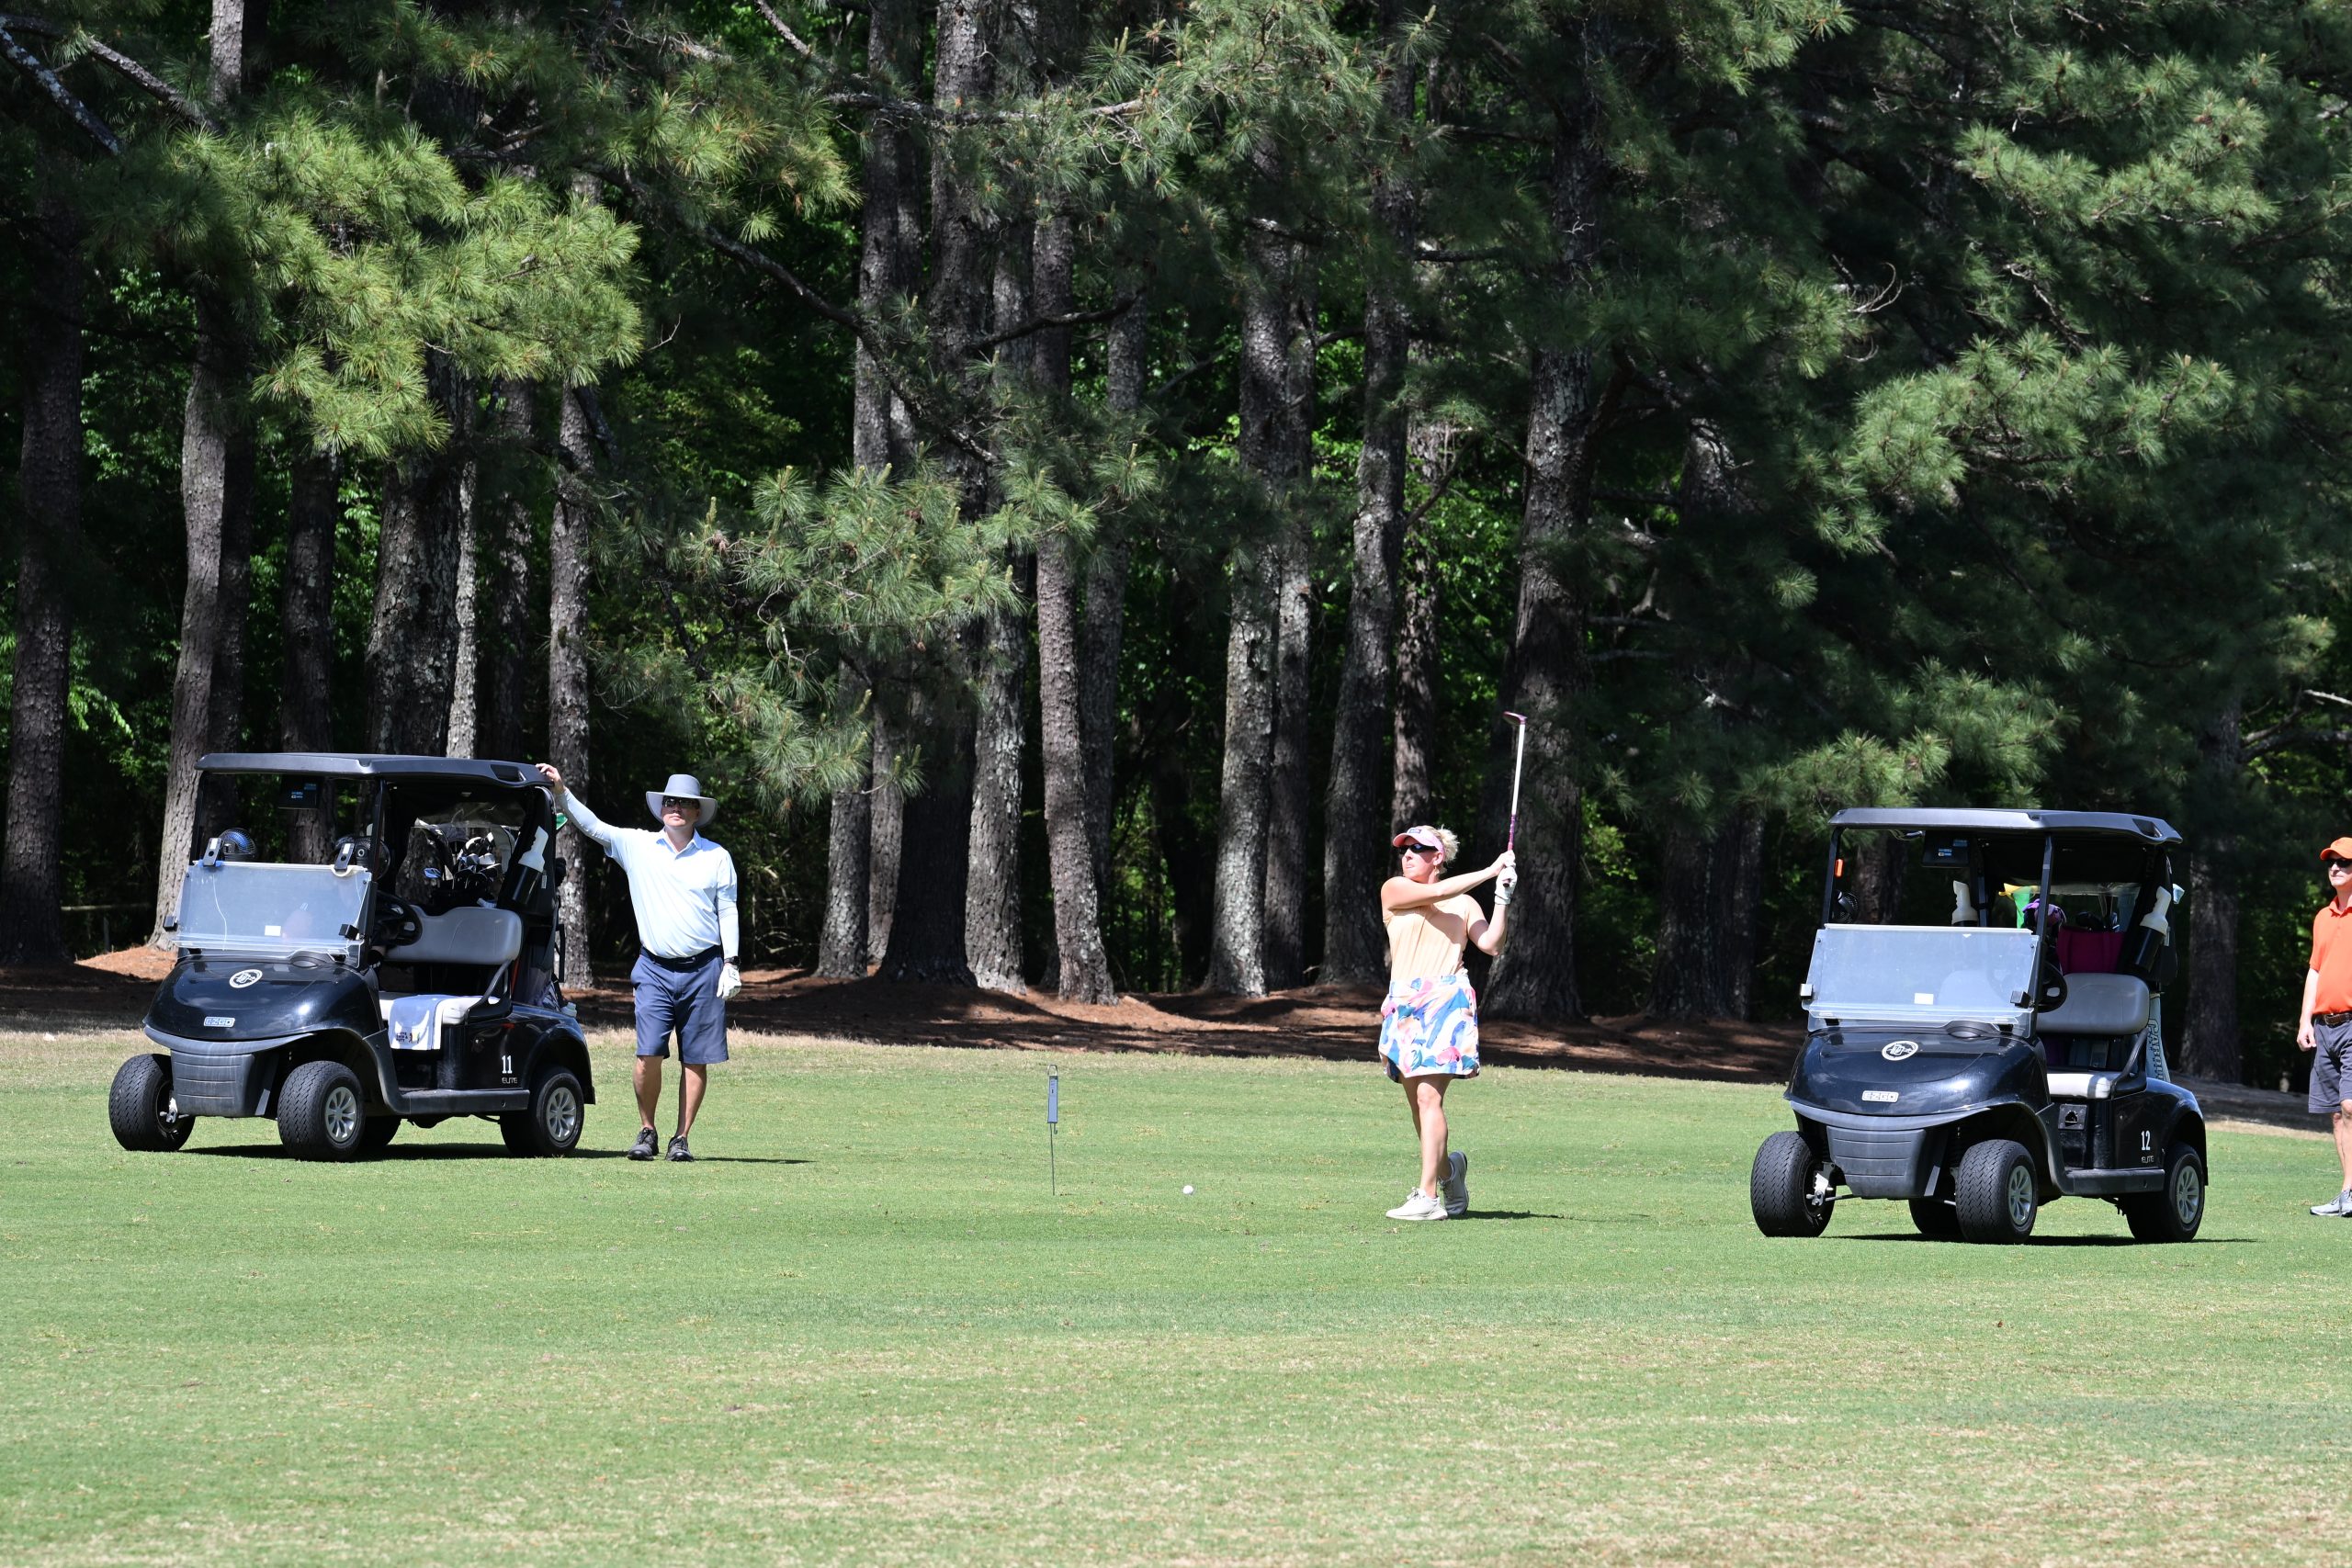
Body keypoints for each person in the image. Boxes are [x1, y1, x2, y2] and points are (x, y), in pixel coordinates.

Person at [535, 764, 741, 1163]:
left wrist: (731, 962)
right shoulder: (639, 845)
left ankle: (681, 1138)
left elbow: (728, 910)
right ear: (661, 808)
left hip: (705, 968)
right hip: (654, 968)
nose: (675, 807)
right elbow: (594, 827)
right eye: (670, 801)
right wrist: (561, 792)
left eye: (684, 803)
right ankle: (647, 1130)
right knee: (648, 1055)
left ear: (697, 812)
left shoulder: (717, 857)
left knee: (695, 1059)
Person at [1377, 825, 1514, 1222]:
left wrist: (1502, 897)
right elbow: (1437, 895)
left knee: (1428, 1099)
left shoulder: (1465, 904)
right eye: (1404, 849)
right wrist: (1490, 870)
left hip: (1446, 1001)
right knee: (1418, 1109)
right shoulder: (1394, 889)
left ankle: (1427, 1197)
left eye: (1418, 849)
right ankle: (1450, 1173)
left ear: (1437, 857)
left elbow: (1491, 945)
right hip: (1404, 1003)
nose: (1407, 855)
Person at [2302, 837, 2352, 1215]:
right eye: (2331, 862)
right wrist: (2305, 1021)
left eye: (2344, 862)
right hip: (2325, 1027)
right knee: (2337, 1112)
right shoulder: (2322, 917)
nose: (2335, 867)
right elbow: (2315, 972)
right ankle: (2348, 1192)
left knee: (2351, 1106)